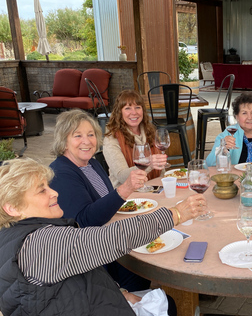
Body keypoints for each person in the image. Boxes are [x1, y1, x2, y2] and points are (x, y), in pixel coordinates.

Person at [0, 158, 207, 315]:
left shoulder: (15, 236)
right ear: (12, 208)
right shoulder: (37, 245)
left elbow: (78, 270)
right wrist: (176, 214)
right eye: (41, 191)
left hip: (84, 303)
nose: (54, 192)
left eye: (48, 186)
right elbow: (113, 238)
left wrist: (121, 291)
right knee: (169, 305)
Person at [49, 109, 160, 291]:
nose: (87, 141)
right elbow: (84, 221)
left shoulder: (91, 163)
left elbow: (107, 201)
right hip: (94, 260)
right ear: (64, 142)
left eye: (91, 134)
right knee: (144, 266)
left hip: (110, 241)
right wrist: (124, 190)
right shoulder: (61, 173)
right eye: (77, 136)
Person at [103, 89, 167, 188]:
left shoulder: (150, 131)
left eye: (137, 107)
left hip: (153, 188)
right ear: (119, 112)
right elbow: (122, 176)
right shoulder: (112, 139)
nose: (134, 112)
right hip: (126, 195)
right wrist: (149, 163)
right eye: (127, 108)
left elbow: (161, 169)